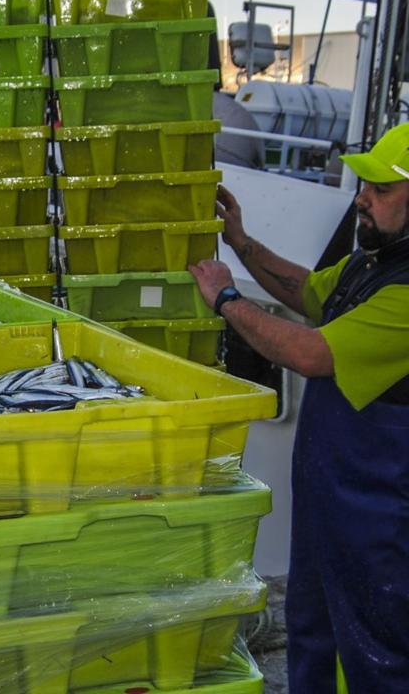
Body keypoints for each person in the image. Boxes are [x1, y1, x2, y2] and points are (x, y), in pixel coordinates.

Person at [187, 122, 409, 692]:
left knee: (376, 654)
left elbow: (310, 352)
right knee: (313, 629)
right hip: (331, 502)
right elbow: (308, 291)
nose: (361, 197)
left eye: (381, 189)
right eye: (364, 184)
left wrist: (226, 298)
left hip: (381, 519)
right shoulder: (372, 265)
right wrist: (240, 242)